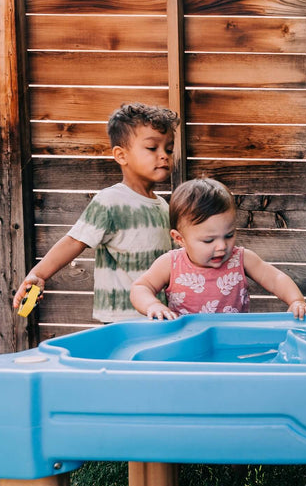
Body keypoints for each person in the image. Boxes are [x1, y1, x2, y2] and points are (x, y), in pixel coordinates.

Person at [12, 102, 180, 322]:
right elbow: (74, 241)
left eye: (168, 149)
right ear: (121, 155)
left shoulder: (165, 207)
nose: (164, 155)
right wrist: (38, 274)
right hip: (120, 321)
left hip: (158, 316)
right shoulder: (110, 201)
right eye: (152, 148)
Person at [130, 177, 306, 320]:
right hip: (186, 339)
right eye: (209, 240)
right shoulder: (171, 264)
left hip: (232, 340)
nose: (221, 246)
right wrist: (152, 305)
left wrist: (296, 300)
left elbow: (275, 278)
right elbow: (141, 287)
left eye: (229, 235)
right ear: (180, 238)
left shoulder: (241, 259)